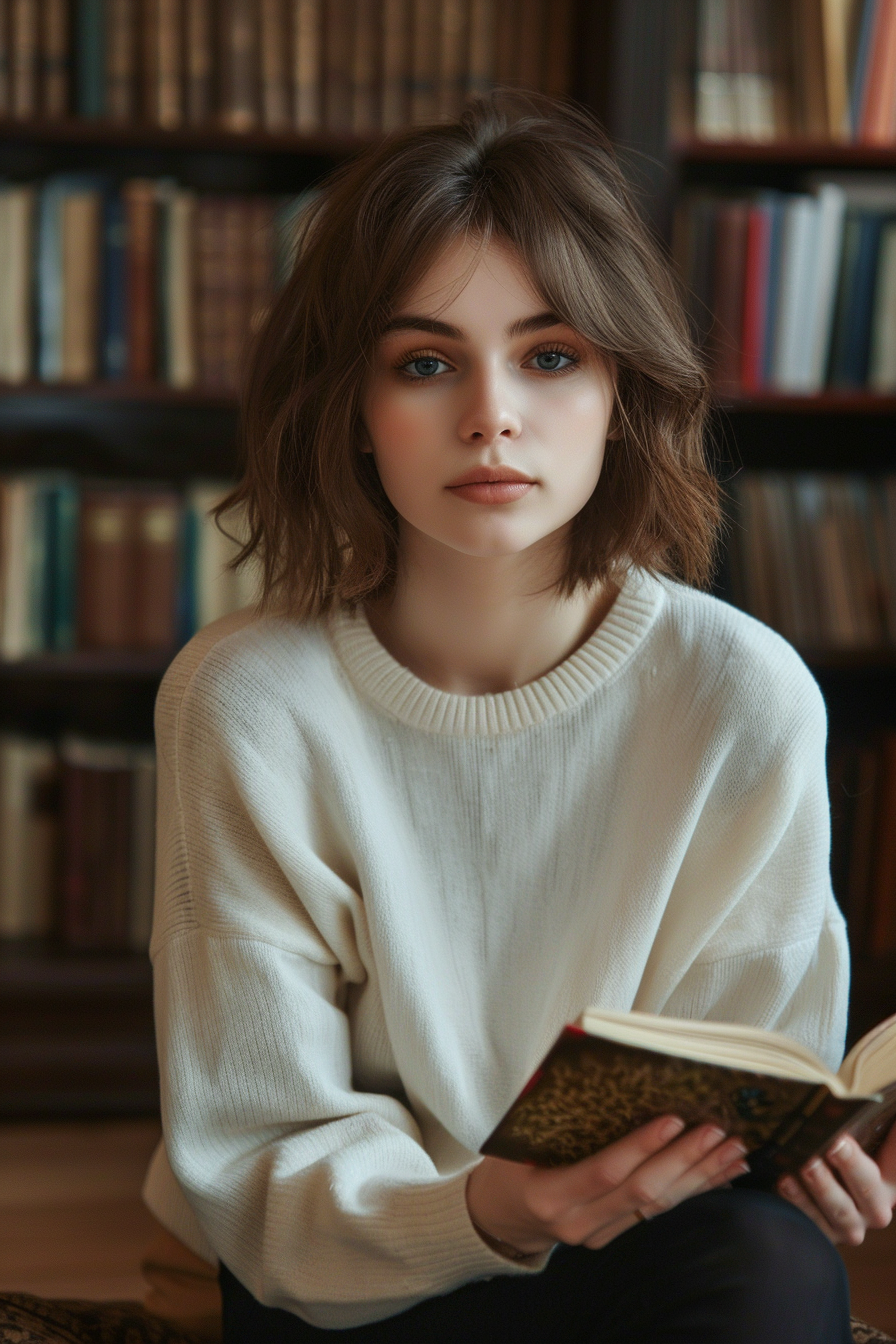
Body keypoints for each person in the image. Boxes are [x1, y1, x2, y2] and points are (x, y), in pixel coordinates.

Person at [140, 91, 896, 1343]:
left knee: (767, 1266)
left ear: (618, 389)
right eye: (425, 363)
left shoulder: (738, 693)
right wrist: (491, 1208)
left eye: (550, 356)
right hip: (355, 1263)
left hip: (638, 1247)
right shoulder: (246, 700)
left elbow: (745, 1085)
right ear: (352, 407)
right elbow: (259, 1154)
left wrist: (799, 1162)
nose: (491, 414)